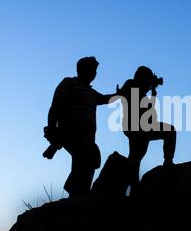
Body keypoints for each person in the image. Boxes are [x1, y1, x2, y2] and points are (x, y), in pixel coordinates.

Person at [44, 56, 116, 197]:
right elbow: (55, 107)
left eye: (95, 71)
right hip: (70, 133)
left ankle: (78, 193)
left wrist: (121, 94)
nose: (94, 74)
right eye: (92, 70)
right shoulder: (69, 83)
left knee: (86, 160)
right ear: (83, 70)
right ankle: (76, 193)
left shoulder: (91, 92)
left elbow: (106, 99)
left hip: (87, 136)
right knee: (88, 156)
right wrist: (53, 131)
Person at [116, 66, 176, 192]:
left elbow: (148, 107)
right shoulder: (131, 85)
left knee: (135, 158)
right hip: (137, 127)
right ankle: (167, 162)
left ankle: (130, 188)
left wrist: (153, 92)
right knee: (136, 157)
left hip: (143, 127)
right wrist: (150, 87)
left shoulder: (139, 90)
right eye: (147, 80)